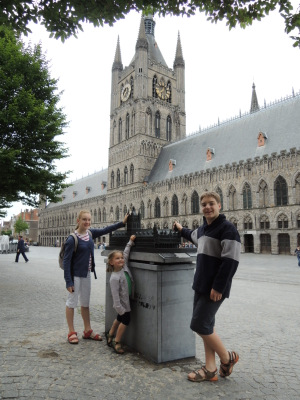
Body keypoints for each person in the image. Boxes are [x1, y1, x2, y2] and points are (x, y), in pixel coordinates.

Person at [173, 191, 241, 382]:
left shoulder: (228, 229)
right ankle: (210, 369)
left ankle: (227, 359)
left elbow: (231, 261)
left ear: (220, 205)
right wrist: (180, 228)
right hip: (201, 285)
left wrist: (218, 287)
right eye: (204, 204)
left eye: (211, 203)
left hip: (214, 288)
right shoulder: (203, 230)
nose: (207, 207)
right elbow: (190, 234)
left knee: (199, 324)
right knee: (207, 326)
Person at [63, 209, 129, 345]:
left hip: (86, 274)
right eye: (84, 219)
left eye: (88, 220)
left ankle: (87, 330)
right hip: (75, 275)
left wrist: (121, 223)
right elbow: (66, 261)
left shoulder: (90, 234)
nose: (87, 222)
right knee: (71, 303)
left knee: (85, 303)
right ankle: (71, 332)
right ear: (78, 221)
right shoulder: (72, 239)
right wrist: (68, 281)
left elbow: (106, 229)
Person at [105, 235, 136, 354]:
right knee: (125, 320)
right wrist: (120, 309)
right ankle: (116, 341)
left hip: (126, 300)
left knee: (119, 318)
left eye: (121, 258)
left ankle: (110, 334)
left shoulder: (124, 267)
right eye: (117, 258)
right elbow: (115, 297)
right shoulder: (114, 278)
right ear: (111, 262)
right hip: (122, 305)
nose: (121, 260)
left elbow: (126, 253)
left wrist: (130, 242)